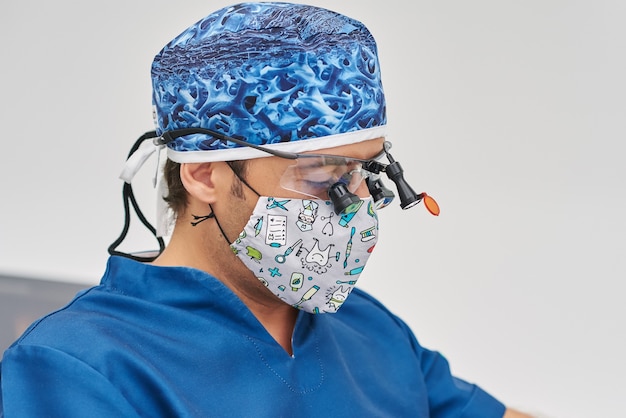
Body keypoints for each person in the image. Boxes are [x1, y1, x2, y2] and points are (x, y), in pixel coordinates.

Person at [0, 3, 532, 417]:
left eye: (368, 174)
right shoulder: (79, 367)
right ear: (205, 174)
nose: (358, 209)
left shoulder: (367, 330)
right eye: (326, 179)